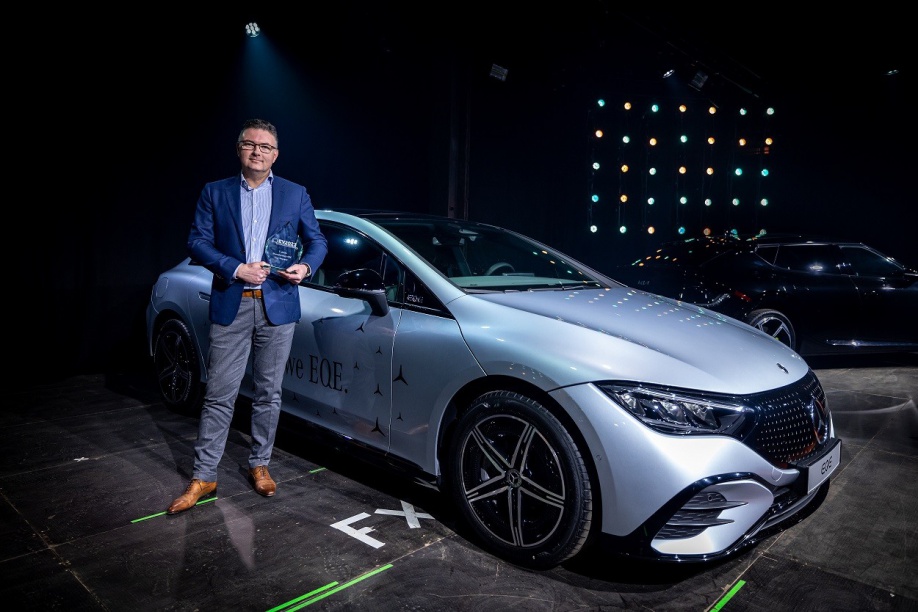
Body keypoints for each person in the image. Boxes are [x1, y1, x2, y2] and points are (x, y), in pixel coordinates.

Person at [167, 118, 328, 514]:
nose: (258, 151)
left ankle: (259, 464)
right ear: (239, 149)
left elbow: (317, 241)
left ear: (276, 154)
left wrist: (306, 267)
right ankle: (204, 475)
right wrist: (236, 268)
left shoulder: (295, 193)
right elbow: (196, 242)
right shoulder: (215, 191)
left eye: (265, 146)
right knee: (219, 394)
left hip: (278, 303)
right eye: (250, 144)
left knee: (269, 393)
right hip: (232, 300)